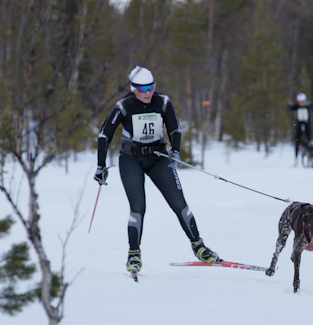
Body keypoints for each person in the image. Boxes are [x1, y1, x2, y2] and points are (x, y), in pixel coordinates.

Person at [94, 66, 221, 274]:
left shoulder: (163, 102)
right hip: (131, 159)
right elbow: (104, 135)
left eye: (151, 87)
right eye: (143, 89)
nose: (148, 93)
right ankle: (134, 254)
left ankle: (199, 247)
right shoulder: (123, 106)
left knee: (179, 204)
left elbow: (175, 128)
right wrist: (100, 166)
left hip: (158, 157)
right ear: (134, 88)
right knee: (138, 207)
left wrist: (176, 151)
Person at [288, 93, 313, 167]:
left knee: (308, 141)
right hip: (299, 125)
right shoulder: (296, 107)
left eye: (302, 101)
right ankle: (296, 159)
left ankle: (310, 158)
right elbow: (290, 108)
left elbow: (312, 107)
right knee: (297, 141)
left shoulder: (308, 107)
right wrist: (289, 105)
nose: (301, 103)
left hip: (307, 125)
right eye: (300, 101)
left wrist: (310, 105)